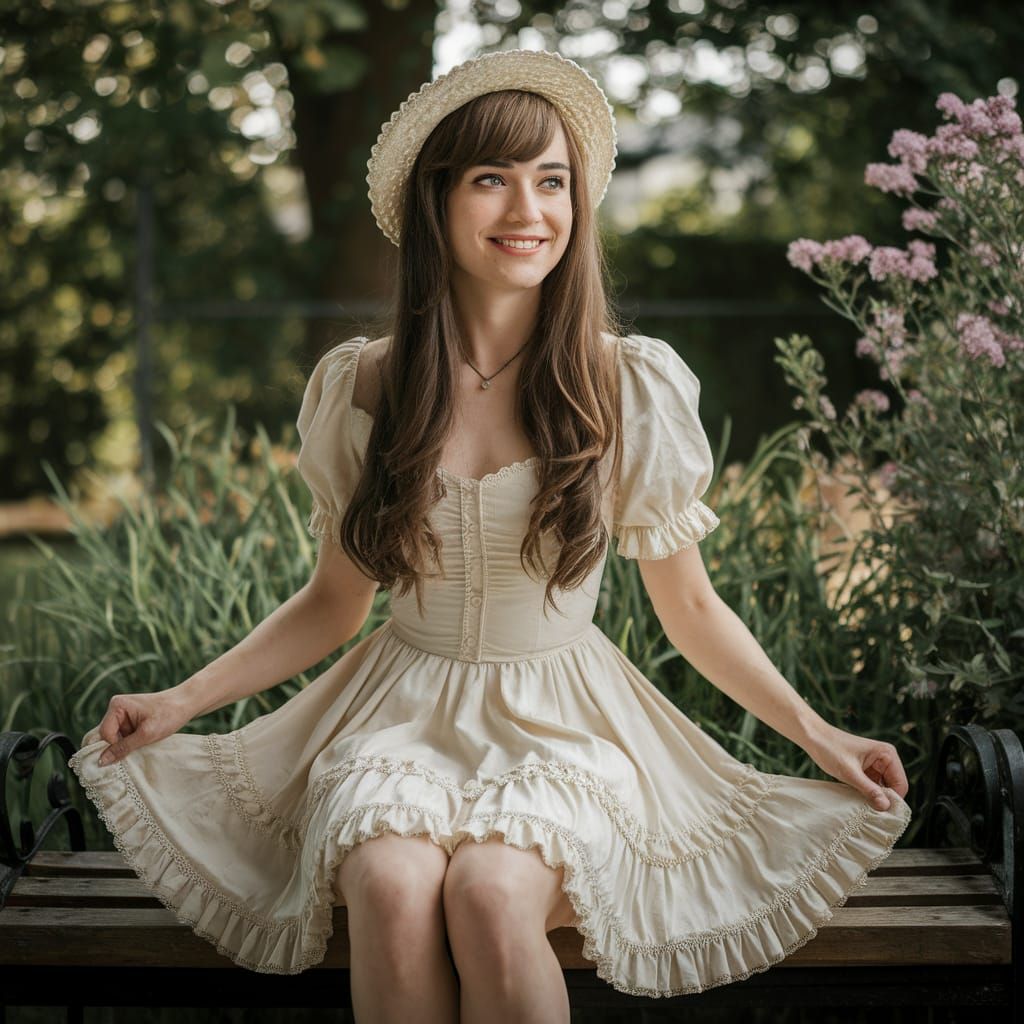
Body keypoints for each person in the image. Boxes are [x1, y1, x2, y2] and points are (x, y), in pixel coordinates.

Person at [68, 48, 911, 1024]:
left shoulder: (624, 384)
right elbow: (334, 601)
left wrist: (818, 733)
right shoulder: (364, 386)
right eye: (491, 180)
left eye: (551, 181)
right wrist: (183, 699)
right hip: (396, 719)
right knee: (388, 885)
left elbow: (686, 603)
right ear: (436, 202)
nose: (528, 210)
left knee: (490, 893)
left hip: (568, 724)